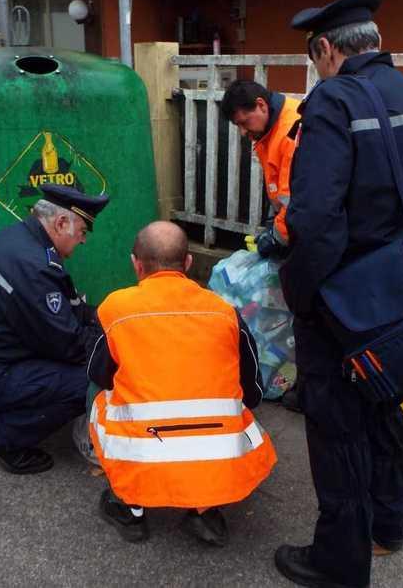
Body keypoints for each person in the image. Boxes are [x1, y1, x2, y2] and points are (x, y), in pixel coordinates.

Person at [273, 0, 403, 588]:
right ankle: (387, 526)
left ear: (326, 49)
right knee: (383, 407)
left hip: (344, 301)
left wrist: (297, 292)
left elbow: (316, 218)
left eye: (313, 55)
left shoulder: (333, 101)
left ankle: (339, 562)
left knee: (336, 426)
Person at [87, 221, 277, 545]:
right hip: (214, 447)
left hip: (145, 444)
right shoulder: (225, 312)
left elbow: (99, 374)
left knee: (98, 395)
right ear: (188, 264)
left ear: (136, 264)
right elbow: (254, 391)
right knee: (231, 412)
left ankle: (130, 510)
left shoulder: (115, 309)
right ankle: (205, 509)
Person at [0, 184, 109, 475]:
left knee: (78, 361)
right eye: (82, 231)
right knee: (88, 378)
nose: (83, 241)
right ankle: (2, 438)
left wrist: (104, 316)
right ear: (61, 222)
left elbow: (71, 305)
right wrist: (109, 346)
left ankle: (6, 411)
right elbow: (68, 345)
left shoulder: (23, 240)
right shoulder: (33, 265)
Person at [220, 80, 301, 259]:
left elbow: (295, 200)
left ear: (261, 105)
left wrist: (276, 237)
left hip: (304, 232)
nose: (242, 132)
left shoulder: (291, 132)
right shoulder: (269, 129)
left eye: (244, 122)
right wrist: (273, 222)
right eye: (237, 126)